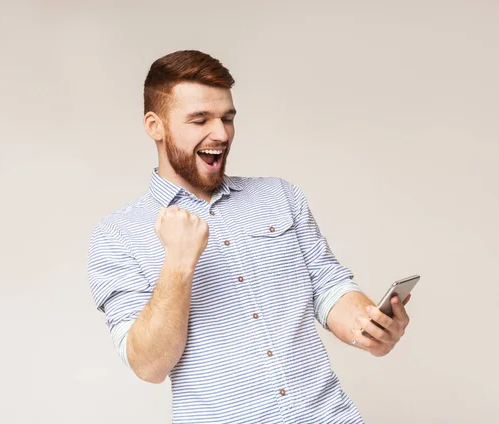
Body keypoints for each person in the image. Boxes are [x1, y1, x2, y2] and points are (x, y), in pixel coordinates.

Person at [87, 50, 411, 424]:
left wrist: (368, 328)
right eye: (200, 120)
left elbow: (327, 285)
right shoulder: (116, 237)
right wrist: (178, 261)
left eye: (227, 118)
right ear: (154, 126)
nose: (221, 134)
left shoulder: (280, 196)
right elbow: (148, 365)